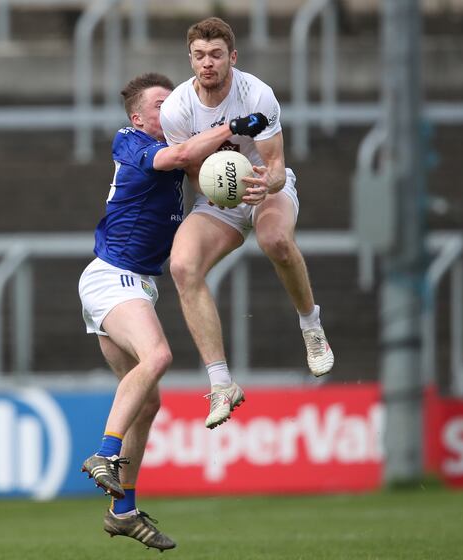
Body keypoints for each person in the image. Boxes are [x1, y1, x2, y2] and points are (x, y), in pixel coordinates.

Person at [78, 72, 268, 551]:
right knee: (157, 357)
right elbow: (182, 155)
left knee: (149, 402)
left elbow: (201, 166)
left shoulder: (179, 151)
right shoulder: (131, 141)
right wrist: (232, 125)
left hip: (135, 283)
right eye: (164, 103)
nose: (175, 109)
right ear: (139, 117)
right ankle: (103, 453)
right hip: (111, 277)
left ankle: (123, 512)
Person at [160, 17, 335, 430]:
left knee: (275, 240)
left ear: (232, 58)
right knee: (183, 266)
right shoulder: (176, 109)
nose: (208, 63)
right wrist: (224, 186)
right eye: (200, 56)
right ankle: (221, 383)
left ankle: (311, 326)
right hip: (220, 196)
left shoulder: (257, 94)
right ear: (190, 59)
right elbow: (189, 168)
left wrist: (261, 185)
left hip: (262, 185)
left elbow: (276, 165)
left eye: (216, 55)